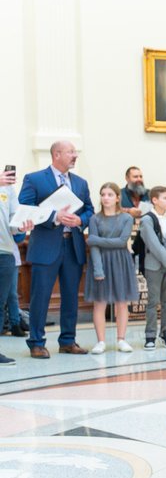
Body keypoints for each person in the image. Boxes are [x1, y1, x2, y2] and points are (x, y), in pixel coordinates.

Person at [19, 141, 93, 359]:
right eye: (71, 152)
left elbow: (90, 209)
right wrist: (54, 216)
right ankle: (36, 342)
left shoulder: (80, 182)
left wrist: (81, 219)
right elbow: (25, 209)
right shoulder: (34, 179)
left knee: (71, 296)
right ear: (56, 154)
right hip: (45, 246)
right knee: (40, 296)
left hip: (73, 245)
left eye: (75, 151)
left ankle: (68, 341)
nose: (75, 155)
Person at [85, 183, 137, 354]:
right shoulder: (94, 219)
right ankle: (101, 341)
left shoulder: (127, 218)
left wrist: (96, 239)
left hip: (120, 261)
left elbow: (122, 242)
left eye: (109, 194)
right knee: (99, 303)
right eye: (103, 194)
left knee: (122, 302)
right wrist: (98, 270)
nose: (105, 198)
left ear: (117, 197)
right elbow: (93, 247)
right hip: (100, 261)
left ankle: (121, 339)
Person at [140, 186, 166, 350]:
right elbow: (154, 245)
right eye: (165, 198)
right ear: (155, 200)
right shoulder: (147, 220)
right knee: (152, 301)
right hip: (154, 266)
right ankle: (150, 335)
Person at [0, 166, 33, 363]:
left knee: (0, 303)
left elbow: (13, 222)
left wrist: (22, 225)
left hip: (4, 252)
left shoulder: (8, 189)